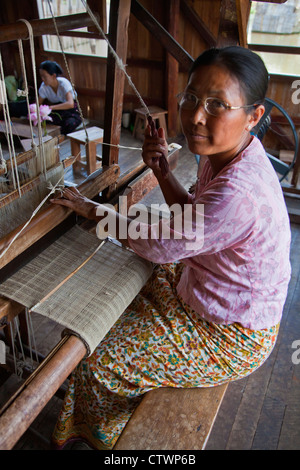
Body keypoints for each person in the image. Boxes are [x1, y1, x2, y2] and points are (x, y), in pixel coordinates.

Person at [50, 46, 291, 450]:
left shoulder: (238, 192)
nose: (197, 115)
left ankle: (104, 440)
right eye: (192, 98)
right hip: (210, 289)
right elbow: (191, 219)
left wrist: (97, 214)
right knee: (116, 297)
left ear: (254, 116)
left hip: (230, 333)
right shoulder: (226, 153)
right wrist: (162, 169)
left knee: (94, 360)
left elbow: (165, 244)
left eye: (218, 105)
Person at [38, 60, 81, 135]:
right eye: (41, 76)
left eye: (44, 76)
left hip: (71, 111)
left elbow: (70, 104)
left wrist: (50, 107)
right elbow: (38, 104)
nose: (42, 79)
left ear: (53, 75)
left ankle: (59, 135)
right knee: (45, 122)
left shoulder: (64, 83)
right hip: (57, 112)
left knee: (69, 123)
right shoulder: (43, 87)